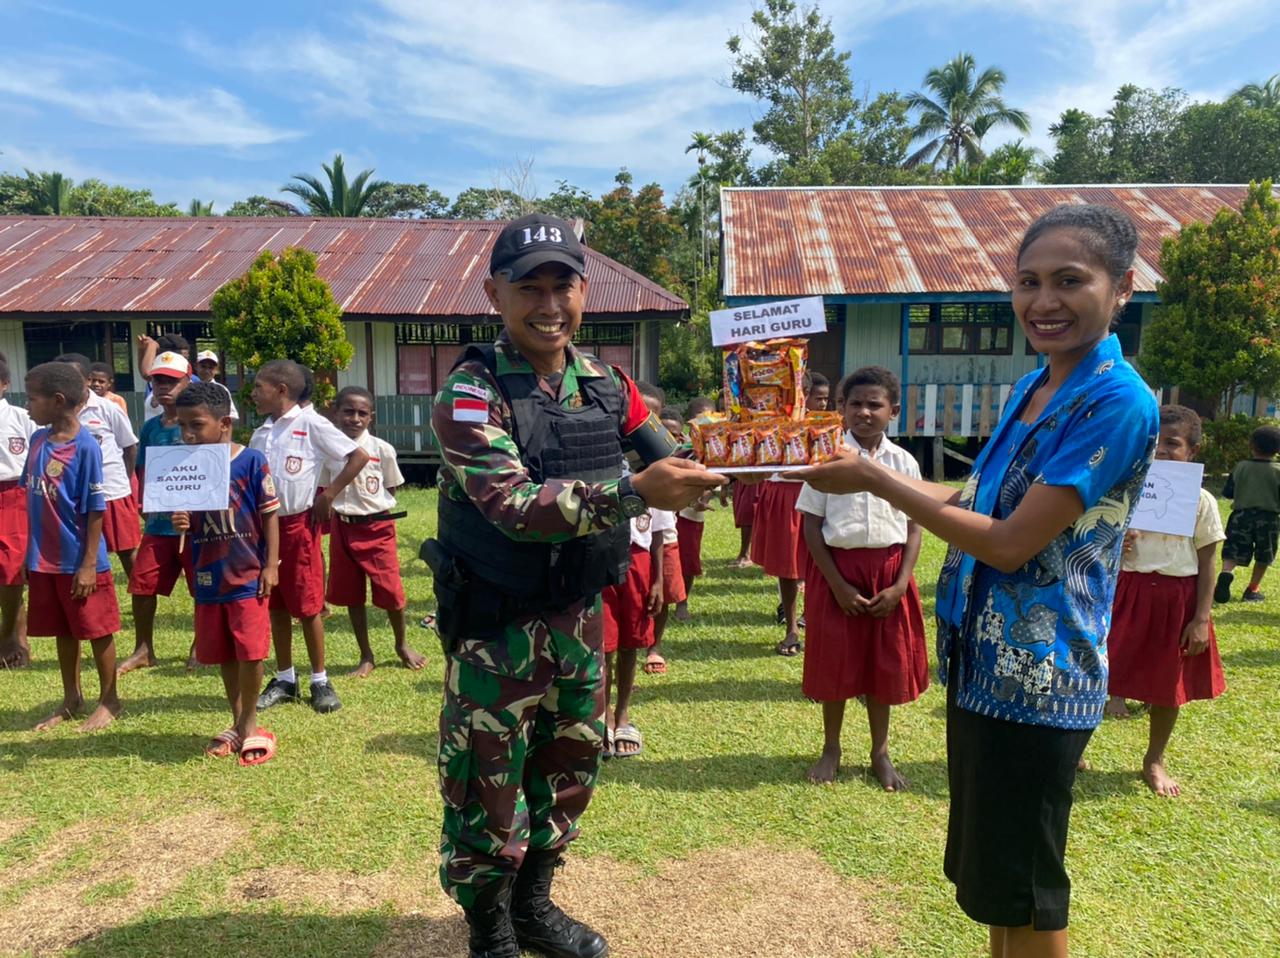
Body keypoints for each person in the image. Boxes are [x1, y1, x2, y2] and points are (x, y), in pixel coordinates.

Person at [797, 204, 1159, 956]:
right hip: (985, 666)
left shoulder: (1117, 400)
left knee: (1029, 894)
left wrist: (871, 475)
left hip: (1041, 676)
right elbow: (968, 501)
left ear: (1121, 288)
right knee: (998, 886)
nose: (1043, 301)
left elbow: (1008, 544)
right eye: (1028, 282)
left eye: (1069, 280)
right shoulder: (1038, 386)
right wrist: (855, 474)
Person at [428, 213, 725, 958]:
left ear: (584, 292)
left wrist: (744, 437)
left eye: (563, 285)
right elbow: (512, 506)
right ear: (495, 293)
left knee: (568, 769)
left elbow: (674, 463)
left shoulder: (607, 386)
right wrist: (635, 492)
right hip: (498, 628)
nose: (548, 303)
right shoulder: (471, 392)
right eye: (529, 287)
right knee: (485, 783)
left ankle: (535, 907)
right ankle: (489, 929)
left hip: (579, 621)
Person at [797, 366, 927, 790]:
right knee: (835, 663)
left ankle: (879, 752)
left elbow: (914, 525)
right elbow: (812, 525)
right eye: (855, 404)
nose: (865, 412)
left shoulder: (903, 461)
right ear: (841, 409)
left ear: (893, 411)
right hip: (838, 572)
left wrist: (902, 582)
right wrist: (836, 583)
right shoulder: (827, 456)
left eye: (875, 404)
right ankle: (831, 748)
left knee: (881, 666)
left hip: (888, 574)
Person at [1104, 405, 1225, 796]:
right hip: (1127, 590)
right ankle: (1074, 751)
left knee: (1167, 684)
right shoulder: (1128, 489)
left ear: (1193, 450)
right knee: (1102, 671)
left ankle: (1154, 759)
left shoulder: (1201, 501)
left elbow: (1208, 560)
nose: (1162, 452)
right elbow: (1099, 543)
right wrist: (1118, 543)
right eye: (1154, 443)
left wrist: (1201, 618)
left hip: (1177, 599)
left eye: (1172, 444)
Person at [171, 382, 281, 765]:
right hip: (207, 574)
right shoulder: (185, 466)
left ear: (224, 423)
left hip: (247, 572)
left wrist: (270, 565)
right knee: (223, 653)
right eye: (182, 426)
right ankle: (237, 720)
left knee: (251, 653)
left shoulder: (250, 462)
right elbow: (184, 515)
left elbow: (269, 515)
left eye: (196, 425)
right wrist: (181, 519)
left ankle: (251, 723)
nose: (188, 434)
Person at [250, 360, 368, 715]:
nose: (254, 393)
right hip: (265, 529)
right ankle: (285, 678)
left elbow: (358, 456)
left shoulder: (312, 424)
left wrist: (329, 494)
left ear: (281, 390)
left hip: (299, 526)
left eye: (259, 386)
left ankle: (319, 679)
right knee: (276, 603)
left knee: (308, 604)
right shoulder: (261, 432)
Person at [22, 361, 123, 732]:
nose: (28, 405)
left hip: (78, 560)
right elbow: (32, 499)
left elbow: (96, 509)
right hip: (42, 559)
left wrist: (87, 565)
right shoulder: (37, 441)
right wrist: (26, 555)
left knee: (96, 629)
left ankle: (110, 699)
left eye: (33, 398)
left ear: (58, 400)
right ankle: (71, 698)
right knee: (63, 630)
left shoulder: (85, 448)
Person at [322, 386, 426, 676]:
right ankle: (366, 654)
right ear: (335, 413)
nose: (354, 418)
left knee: (391, 590)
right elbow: (324, 489)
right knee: (351, 593)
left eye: (362, 413)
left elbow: (390, 487)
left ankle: (401, 644)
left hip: (377, 527)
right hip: (343, 527)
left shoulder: (382, 450)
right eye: (348, 411)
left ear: (371, 418)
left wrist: (371, 509)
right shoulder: (327, 451)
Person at [117, 351, 197, 676]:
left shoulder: (200, 421)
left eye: (171, 380)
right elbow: (143, 469)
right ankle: (144, 648)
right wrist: (143, 502)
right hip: (158, 522)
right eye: (157, 380)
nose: (164, 386)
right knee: (143, 584)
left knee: (201, 587)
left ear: (187, 381)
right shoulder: (150, 428)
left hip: (195, 524)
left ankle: (201, 644)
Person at [752, 373, 828, 656]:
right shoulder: (766, 422)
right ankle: (791, 628)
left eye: (793, 392)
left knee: (817, 560)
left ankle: (814, 618)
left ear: (805, 393)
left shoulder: (821, 424)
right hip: (781, 493)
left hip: (814, 491)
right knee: (787, 565)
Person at [56, 353, 141, 579]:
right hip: (73, 494)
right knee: (80, 549)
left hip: (111, 491)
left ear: (86, 379)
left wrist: (124, 480)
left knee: (126, 550)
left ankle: (141, 597)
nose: (66, 383)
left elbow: (130, 446)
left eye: (72, 377)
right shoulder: (56, 412)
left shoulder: (107, 408)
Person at [602, 495, 670, 756]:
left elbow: (659, 530)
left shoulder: (650, 468)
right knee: (605, 646)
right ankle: (604, 715)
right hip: (601, 555)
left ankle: (622, 714)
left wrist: (658, 581)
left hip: (638, 560)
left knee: (631, 643)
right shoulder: (596, 459)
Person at [642, 399, 686, 676]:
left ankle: (654, 646)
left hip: (664, 533)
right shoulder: (620, 449)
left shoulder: (669, 452)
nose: (650, 422)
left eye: (654, 415)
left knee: (664, 593)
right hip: (630, 538)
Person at [1213, 424, 1280, 603]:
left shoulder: (1241, 466)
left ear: (1251, 445)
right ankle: (1252, 589)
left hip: (1240, 516)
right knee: (1264, 555)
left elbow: (1228, 493)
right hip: (1268, 519)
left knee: (1232, 551)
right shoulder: (1277, 471)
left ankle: (1226, 573)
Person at [0, 351, 34, 669]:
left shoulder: (20, 418)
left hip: (12, 494)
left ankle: (11, 636)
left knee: (12, 570)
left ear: (5, 385)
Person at [194, 349, 240, 422]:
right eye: (203, 366)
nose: (207, 371)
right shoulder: (189, 388)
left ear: (216, 369)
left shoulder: (221, 390)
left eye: (211, 368)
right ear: (196, 366)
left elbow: (232, 415)